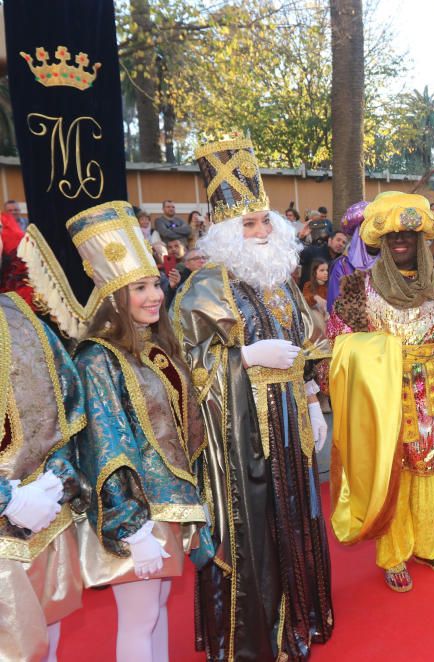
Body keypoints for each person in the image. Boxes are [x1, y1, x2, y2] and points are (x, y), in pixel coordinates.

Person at [175, 138, 333, 659]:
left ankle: (298, 619)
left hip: (290, 419)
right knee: (257, 527)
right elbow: (180, 368)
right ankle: (253, 636)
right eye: (248, 225)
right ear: (225, 234)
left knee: (294, 515)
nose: (262, 232)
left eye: (265, 221)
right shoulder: (203, 288)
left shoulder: (282, 282)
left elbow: (305, 348)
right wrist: (242, 359)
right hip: (241, 437)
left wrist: (311, 397)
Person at [69, 201, 209, 662]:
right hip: (136, 515)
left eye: (155, 284)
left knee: (156, 609)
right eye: (139, 288)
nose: (154, 296)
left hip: (167, 505)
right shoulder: (97, 359)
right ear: (113, 296)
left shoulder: (156, 348)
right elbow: (105, 445)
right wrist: (131, 527)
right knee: (138, 616)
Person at [327, 191, 434, 592]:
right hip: (386, 401)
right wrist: (386, 361)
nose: (401, 242)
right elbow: (339, 342)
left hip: (433, 395)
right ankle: (394, 556)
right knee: (393, 475)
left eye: (409, 237)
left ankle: (432, 545)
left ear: (419, 242)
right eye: (394, 236)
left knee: (433, 469)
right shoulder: (358, 285)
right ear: (381, 241)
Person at [0, 290, 86, 662]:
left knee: (43, 640)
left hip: (43, 516)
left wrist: (56, 480)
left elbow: (67, 403)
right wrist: (9, 499)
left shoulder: (20, 313)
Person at [326, 201, 378, 313]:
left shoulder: (390, 263)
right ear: (358, 234)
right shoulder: (342, 266)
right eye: (367, 230)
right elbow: (335, 307)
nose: (373, 235)